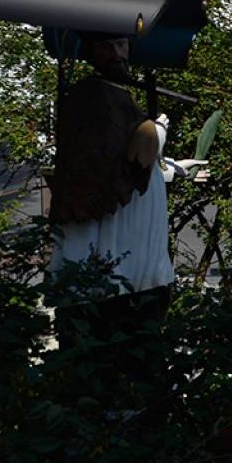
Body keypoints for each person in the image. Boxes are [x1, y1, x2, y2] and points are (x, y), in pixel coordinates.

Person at [48, 35, 194, 316]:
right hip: (114, 249)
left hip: (137, 254)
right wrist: (157, 135)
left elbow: (127, 167)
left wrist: (172, 170)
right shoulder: (93, 96)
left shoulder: (116, 94)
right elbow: (104, 164)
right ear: (90, 51)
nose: (117, 53)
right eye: (106, 45)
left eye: (121, 44)